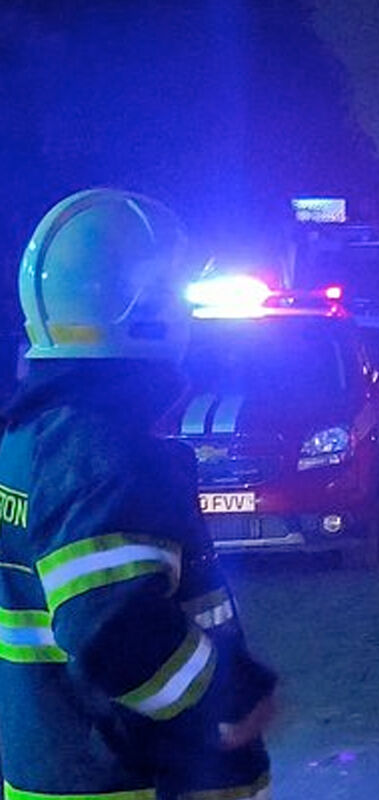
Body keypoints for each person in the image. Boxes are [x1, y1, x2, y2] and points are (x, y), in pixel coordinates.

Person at [0, 189, 275, 799]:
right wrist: (228, 699)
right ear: (145, 309)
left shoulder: (32, 437)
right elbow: (113, 631)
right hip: (133, 780)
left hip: (64, 767)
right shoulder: (104, 454)